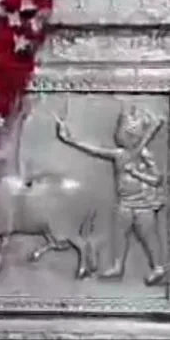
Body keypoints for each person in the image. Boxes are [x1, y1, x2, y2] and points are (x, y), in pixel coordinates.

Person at [56, 105, 166, 285]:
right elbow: (94, 150)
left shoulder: (145, 155)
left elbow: (157, 179)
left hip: (143, 205)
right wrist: (70, 140)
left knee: (148, 236)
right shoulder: (119, 155)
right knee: (120, 234)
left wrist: (137, 173)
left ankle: (158, 267)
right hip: (125, 202)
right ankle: (117, 266)